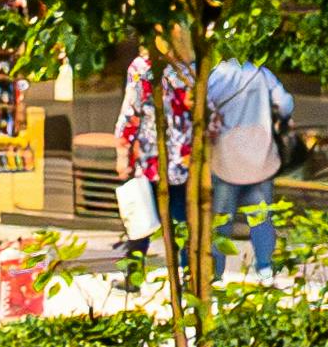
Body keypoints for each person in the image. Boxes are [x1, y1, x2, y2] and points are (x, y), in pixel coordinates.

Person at [208, 54, 294, 279]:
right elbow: (285, 104)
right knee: (261, 217)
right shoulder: (262, 73)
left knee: (222, 220)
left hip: (227, 159)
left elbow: (203, 108)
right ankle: (265, 267)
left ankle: (216, 273)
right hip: (260, 158)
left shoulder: (217, 75)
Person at [115, 36, 192, 285]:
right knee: (182, 218)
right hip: (185, 157)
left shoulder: (142, 68)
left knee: (141, 220)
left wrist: (123, 151)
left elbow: (131, 112)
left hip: (152, 157)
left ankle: (133, 279)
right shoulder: (191, 69)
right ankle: (188, 277)